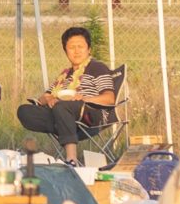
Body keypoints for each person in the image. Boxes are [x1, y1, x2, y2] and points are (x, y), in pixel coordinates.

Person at [16, 26, 118, 163]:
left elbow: (109, 98)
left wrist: (84, 98)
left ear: (89, 49)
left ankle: (71, 158)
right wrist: (50, 98)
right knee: (24, 111)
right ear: (66, 51)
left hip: (90, 115)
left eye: (80, 46)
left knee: (62, 107)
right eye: (71, 47)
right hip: (64, 116)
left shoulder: (97, 68)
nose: (76, 51)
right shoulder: (64, 75)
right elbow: (42, 98)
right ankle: (63, 125)